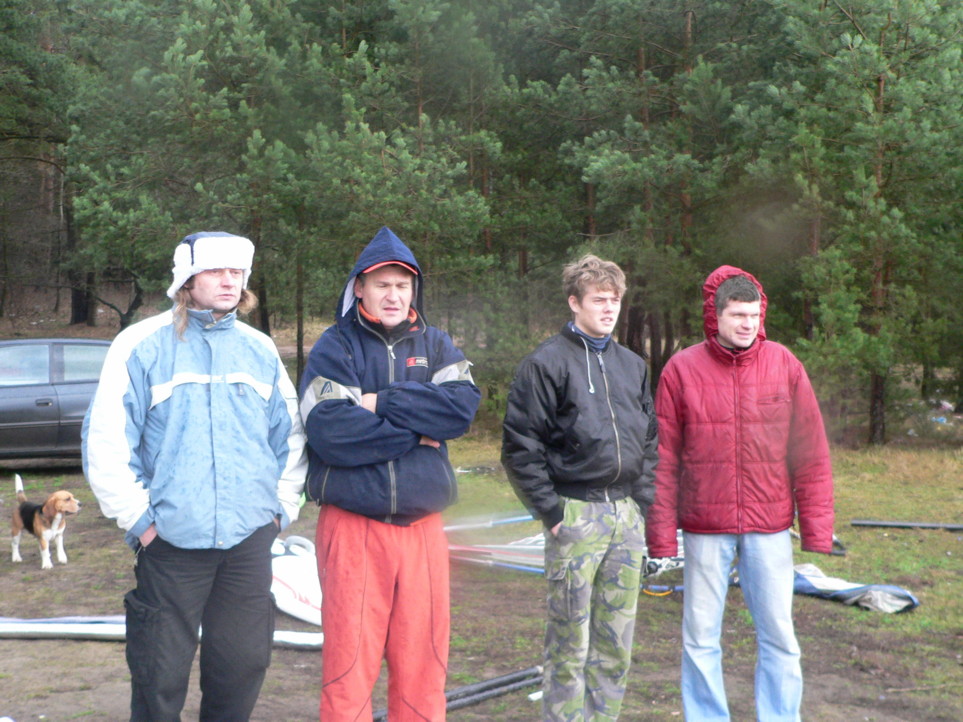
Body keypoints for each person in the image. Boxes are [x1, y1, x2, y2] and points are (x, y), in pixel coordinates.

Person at [82, 231, 308, 721]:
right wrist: (140, 521)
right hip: (171, 541)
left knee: (242, 666)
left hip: (248, 539)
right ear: (187, 278)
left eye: (237, 272)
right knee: (159, 673)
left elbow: (289, 438)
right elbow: (106, 442)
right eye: (216, 270)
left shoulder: (259, 349)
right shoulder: (139, 345)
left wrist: (280, 510)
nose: (230, 281)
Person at [299, 226, 480, 720]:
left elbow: (459, 411)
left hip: (423, 531)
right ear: (359, 287)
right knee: (349, 668)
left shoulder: (437, 344)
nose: (394, 295)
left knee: (424, 666)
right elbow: (331, 431)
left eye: (403, 285)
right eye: (382, 285)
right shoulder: (335, 347)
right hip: (353, 528)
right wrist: (418, 434)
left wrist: (378, 402)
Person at [645, 265, 835, 721]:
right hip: (704, 526)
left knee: (779, 635)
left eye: (754, 315)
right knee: (700, 636)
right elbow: (662, 459)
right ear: (716, 316)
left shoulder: (783, 365)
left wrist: (816, 528)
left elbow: (810, 451)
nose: (748, 324)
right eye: (737, 315)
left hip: (769, 526)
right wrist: (662, 538)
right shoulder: (681, 370)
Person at [501, 254, 659, 721]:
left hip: (625, 518)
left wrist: (641, 504)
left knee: (616, 645)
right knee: (569, 645)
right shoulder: (545, 364)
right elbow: (520, 446)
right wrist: (552, 514)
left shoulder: (633, 365)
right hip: (575, 515)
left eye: (615, 300)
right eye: (598, 300)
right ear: (574, 302)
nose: (609, 309)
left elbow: (650, 440)